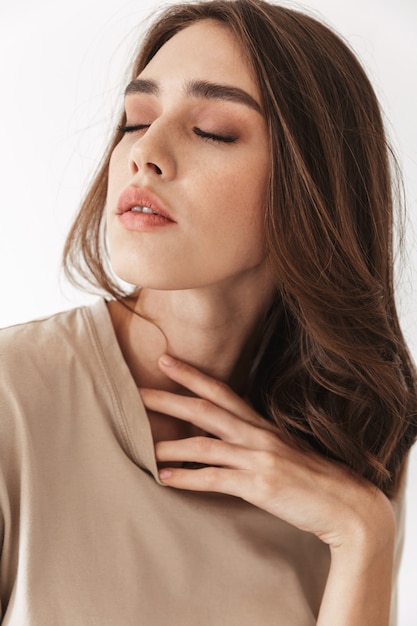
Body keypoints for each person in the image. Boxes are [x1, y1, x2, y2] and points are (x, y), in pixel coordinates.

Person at [0, 0, 416, 623]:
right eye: (134, 120)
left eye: (212, 129)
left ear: (310, 185)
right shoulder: (12, 400)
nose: (146, 152)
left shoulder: (349, 433)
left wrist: (363, 535)